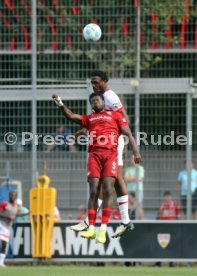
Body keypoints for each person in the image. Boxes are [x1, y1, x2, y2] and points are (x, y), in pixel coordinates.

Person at [52, 92, 141, 243]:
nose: (95, 102)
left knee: (107, 189)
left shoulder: (115, 115)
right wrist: (60, 103)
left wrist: (136, 152)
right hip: (94, 156)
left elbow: (128, 134)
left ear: (103, 102)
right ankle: (91, 228)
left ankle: (103, 229)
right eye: (92, 101)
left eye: (97, 100)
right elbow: (71, 116)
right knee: (93, 190)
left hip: (111, 156)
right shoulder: (90, 118)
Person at [70, 70, 134, 238]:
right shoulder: (100, 97)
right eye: (92, 83)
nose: (94, 85)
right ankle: (102, 221)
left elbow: (123, 116)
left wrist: (122, 133)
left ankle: (124, 221)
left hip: (113, 142)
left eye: (97, 82)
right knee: (104, 183)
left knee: (114, 181)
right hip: (107, 141)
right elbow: (99, 120)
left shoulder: (110, 96)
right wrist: (82, 131)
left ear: (105, 81)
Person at [154, 191, 180, 267]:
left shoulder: (175, 205)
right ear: (164, 197)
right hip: (163, 228)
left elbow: (178, 217)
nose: (167, 198)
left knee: (172, 245)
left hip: (172, 227)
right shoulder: (162, 206)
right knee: (160, 245)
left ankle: (171, 263)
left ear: (171, 197)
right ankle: (158, 263)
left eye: (168, 196)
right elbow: (159, 216)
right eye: (166, 196)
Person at [0, 191, 18, 267]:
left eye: (14, 195)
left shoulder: (15, 206)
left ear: (16, 197)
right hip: (1, 224)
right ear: (9, 196)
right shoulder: (4, 204)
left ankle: (1, 262)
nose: (12, 197)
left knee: (4, 244)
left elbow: (15, 215)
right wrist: (7, 217)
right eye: (11, 195)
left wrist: (27, 213)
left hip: (7, 227)